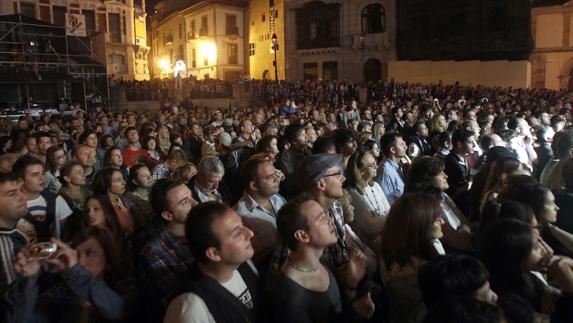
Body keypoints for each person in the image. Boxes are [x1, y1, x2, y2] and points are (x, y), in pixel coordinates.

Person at [271, 196, 375, 322]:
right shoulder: (291, 295)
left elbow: (337, 311)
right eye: (321, 218)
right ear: (302, 235)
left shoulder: (320, 259)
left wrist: (351, 284)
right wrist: (355, 313)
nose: (330, 220)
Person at [163, 202, 262, 323]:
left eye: (242, 225)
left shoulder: (242, 261)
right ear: (214, 254)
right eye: (237, 234)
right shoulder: (191, 309)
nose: (250, 233)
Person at [9, 227, 133, 323]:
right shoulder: (61, 293)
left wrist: (76, 273)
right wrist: (27, 279)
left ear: (108, 261)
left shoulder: (124, 288)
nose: (81, 262)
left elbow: (120, 312)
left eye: (90, 253)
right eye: (76, 255)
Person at [379, 193, 446, 323]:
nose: (442, 221)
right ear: (419, 225)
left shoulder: (424, 245)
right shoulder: (402, 270)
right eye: (437, 219)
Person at [139, 179, 197, 323]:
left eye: (192, 197)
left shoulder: (202, 229)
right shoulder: (154, 251)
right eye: (185, 202)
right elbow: (181, 301)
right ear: (167, 215)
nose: (195, 204)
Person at [235, 153, 286, 262]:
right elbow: (247, 259)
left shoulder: (276, 198)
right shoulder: (241, 216)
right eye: (270, 177)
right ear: (254, 185)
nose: (276, 178)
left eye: (275, 174)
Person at [12, 155, 72, 243]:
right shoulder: (8, 205)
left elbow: (65, 232)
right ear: (20, 180)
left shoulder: (56, 200)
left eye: (43, 173)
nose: (42, 178)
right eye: (35, 175)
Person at [344, 148, 390, 248]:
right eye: (372, 165)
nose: (376, 166)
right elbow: (371, 226)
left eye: (375, 162)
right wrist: (388, 220)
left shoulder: (375, 185)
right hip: (368, 245)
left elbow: (389, 210)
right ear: (361, 171)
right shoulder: (352, 193)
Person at [0, 172, 28, 303]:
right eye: (12, 194)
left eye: (21, 191)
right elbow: (15, 302)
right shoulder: (3, 244)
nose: (23, 197)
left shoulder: (13, 233)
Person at [93, 168, 134, 235]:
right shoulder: (101, 209)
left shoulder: (125, 200)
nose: (124, 182)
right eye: (118, 180)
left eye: (123, 178)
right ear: (106, 184)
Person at [444, 128, 475, 216]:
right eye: (470, 142)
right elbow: (460, 188)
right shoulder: (452, 162)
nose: (473, 145)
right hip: (460, 204)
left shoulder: (461, 157)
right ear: (460, 144)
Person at [278, 124, 310, 199]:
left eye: (305, 133)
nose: (306, 137)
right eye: (302, 135)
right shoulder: (286, 156)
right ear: (294, 141)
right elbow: (292, 179)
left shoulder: (308, 150)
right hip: (297, 194)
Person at [375, 133, 408, 205]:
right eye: (402, 145)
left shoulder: (399, 166)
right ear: (393, 149)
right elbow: (386, 202)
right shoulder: (386, 171)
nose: (406, 147)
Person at [125, 163, 155, 228]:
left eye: (150, 174)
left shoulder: (154, 191)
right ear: (135, 181)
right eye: (144, 176)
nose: (149, 177)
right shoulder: (130, 199)